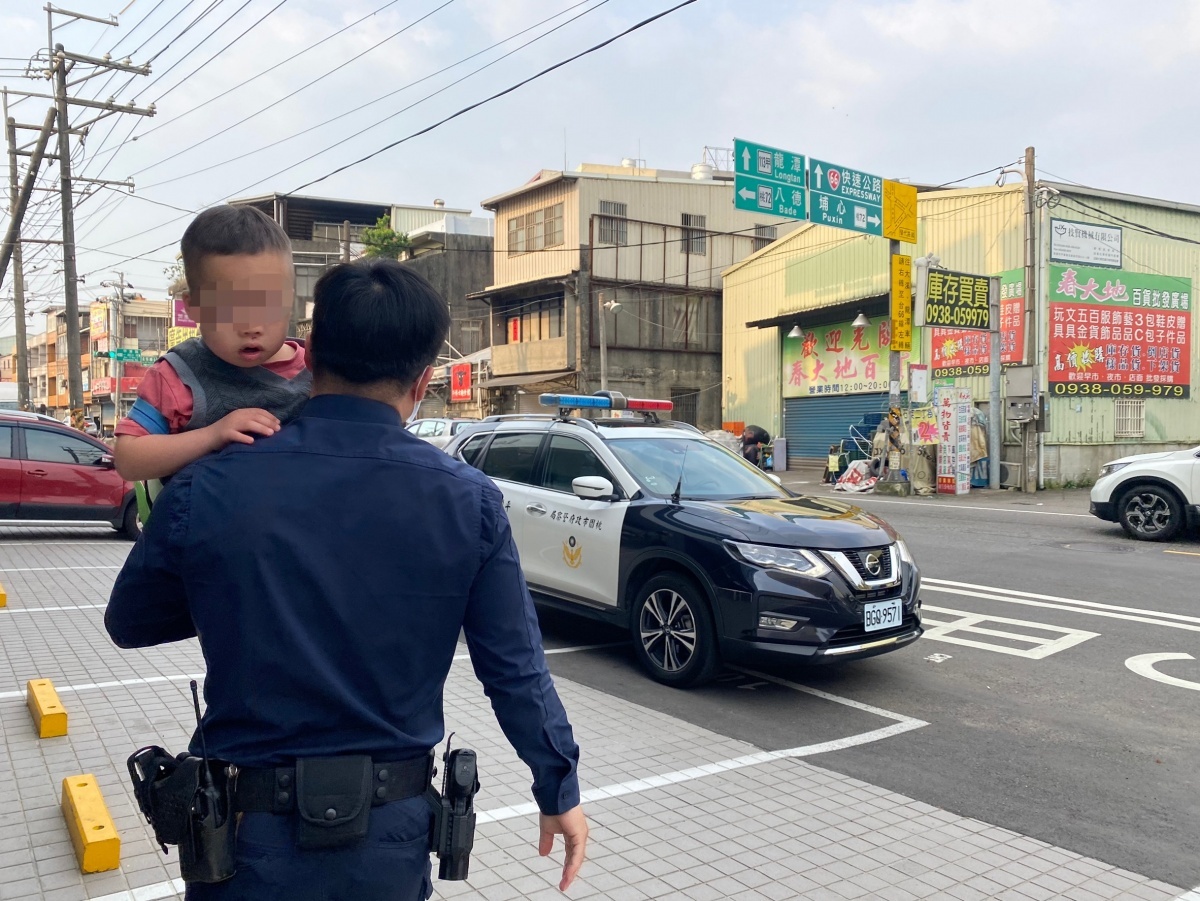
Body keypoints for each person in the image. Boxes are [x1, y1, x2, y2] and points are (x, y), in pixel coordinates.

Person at [105, 258, 588, 900]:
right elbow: (514, 667)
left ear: (310, 359)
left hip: (245, 838)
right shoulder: (467, 502)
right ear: (422, 382)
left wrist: (240, 593)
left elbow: (129, 623)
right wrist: (557, 785)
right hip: (388, 838)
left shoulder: (211, 482)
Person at [112, 204, 311, 483]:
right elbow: (129, 460)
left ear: (289, 300)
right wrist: (212, 435)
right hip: (207, 521)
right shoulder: (178, 377)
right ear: (193, 307)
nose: (251, 326)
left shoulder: (319, 367)